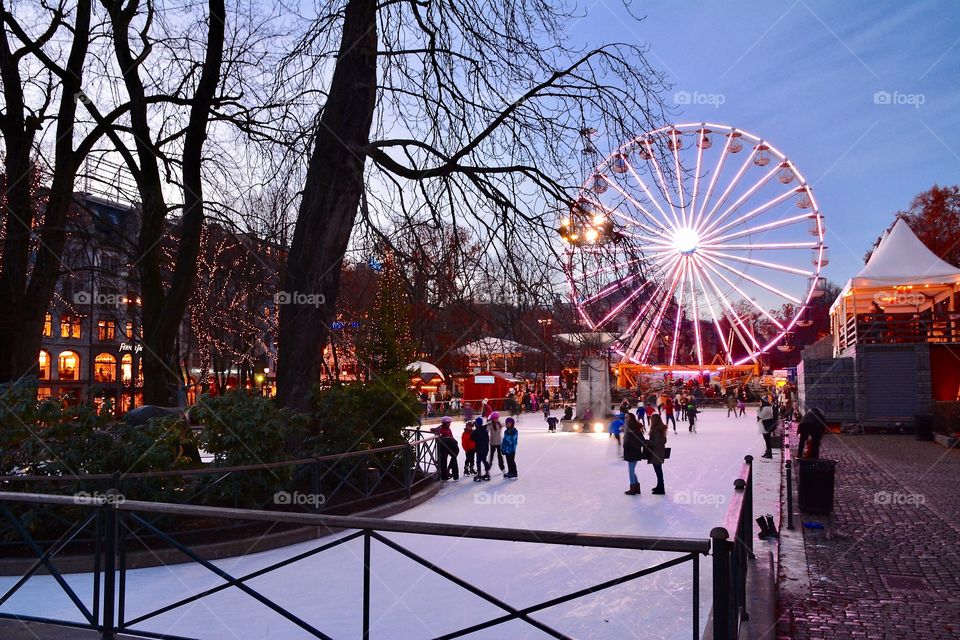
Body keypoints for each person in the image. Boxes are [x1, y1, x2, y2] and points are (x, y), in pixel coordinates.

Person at [643, 414, 668, 494]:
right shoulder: (660, 429)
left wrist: (646, 441)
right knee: (658, 470)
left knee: (658, 471)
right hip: (659, 452)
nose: (650, 420)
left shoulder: (656, 430)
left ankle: (661, 488)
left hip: (656, 453)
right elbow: (664, 441)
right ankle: (659, 486)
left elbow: (655, 442)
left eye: (651, 419)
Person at [622, 413, 645, 495]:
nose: (625, 419)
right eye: (625, 417)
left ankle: (633, 488)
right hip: (633, 452)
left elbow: (637, 440)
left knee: (631, 471)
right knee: (631, 470)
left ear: (631, 418)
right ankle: (636, 487)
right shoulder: (631, 427)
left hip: (632, 452)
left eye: (627, 417)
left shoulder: (632, 428)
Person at [471, 417, 491, 481]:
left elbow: (472, 438)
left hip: (479, 449)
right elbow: (487, 440)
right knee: (484, 460)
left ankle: (479, 473)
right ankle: (487, 472)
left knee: (478, 461)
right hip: (485, 449)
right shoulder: (485, 430)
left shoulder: (476, 431)